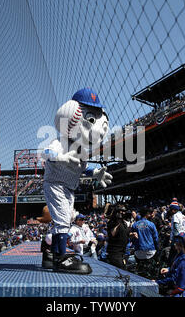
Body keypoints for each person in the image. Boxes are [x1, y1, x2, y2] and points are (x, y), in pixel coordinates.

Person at [41, 88, 112, 274]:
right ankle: (61, 259)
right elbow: (46, 153)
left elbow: (82, 167)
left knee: (63, 222)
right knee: (64, 221)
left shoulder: (81, 149)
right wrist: (61, 157)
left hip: (68, 188)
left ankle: (53, 255)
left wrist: (96, 172)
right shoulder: (62, 141)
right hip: (55, 184)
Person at [130, 207, 159, 278]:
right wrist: (157, 250)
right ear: (147, 214)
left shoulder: (134, 225)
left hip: (139, 252)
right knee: (150, 275)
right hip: (150, 252)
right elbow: (156, 239)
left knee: (140, 275)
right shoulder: (151, 224)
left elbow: (132, 239)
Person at [105, 204, 131, 269]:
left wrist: (132, 234)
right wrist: (117, 222)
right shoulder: (113, 222)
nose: (123, 213)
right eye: (121, 212)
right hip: (115, 253)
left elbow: (124, 234)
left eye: (124, 212)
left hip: (122, 252)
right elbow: (112, 234)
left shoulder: (124, 223)